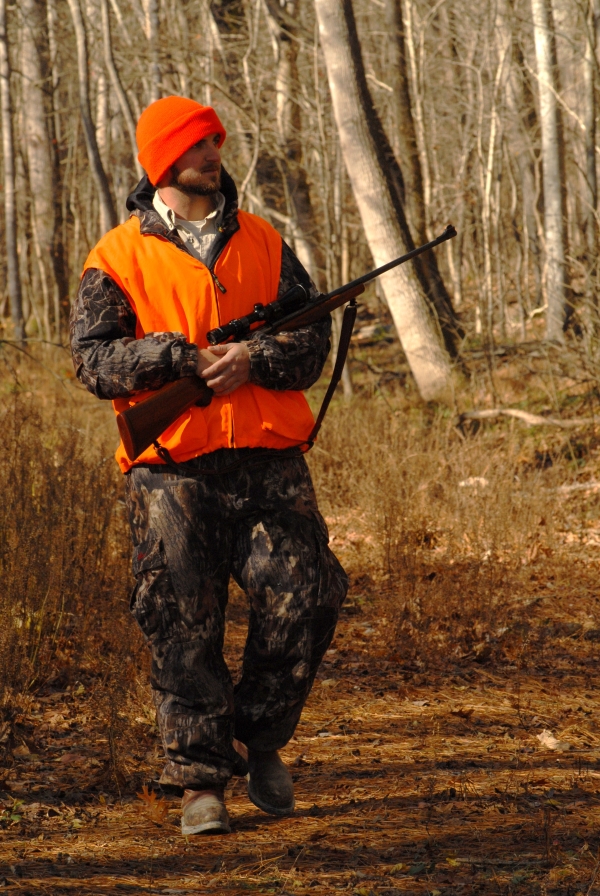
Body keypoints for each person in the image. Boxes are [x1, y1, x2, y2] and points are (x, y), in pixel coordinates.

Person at [70, 96, 348, 836]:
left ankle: (256, 742)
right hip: (170, 468)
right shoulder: (116, 256)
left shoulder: (264, 240)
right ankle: (198, 780)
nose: (212, 155)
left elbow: (313, 344)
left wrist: (251, 357)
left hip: (267, 458)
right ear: (162, 160)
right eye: (197, 145)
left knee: (309, 593)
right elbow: (92, 361)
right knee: (179, 619)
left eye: (216, 143)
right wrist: (180, 360)